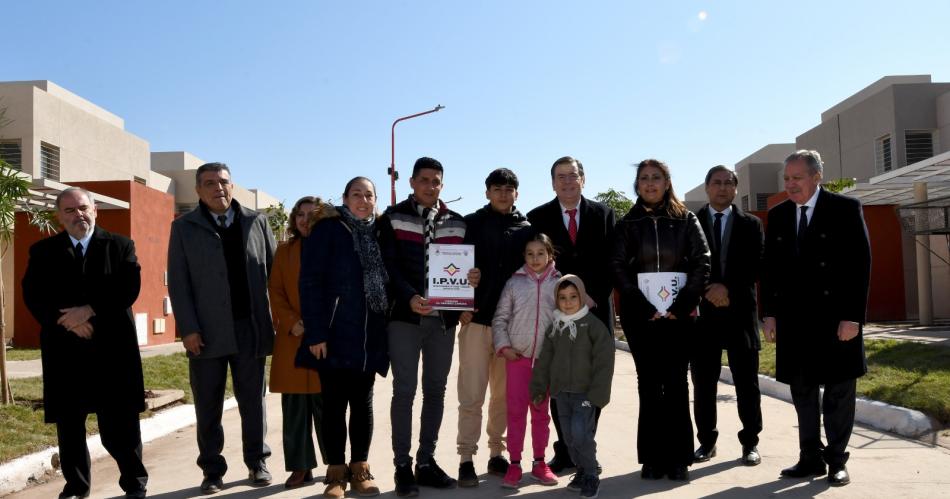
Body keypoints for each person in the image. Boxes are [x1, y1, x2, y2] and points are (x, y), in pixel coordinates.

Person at [22, 187, 148, 499]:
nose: (79, 215)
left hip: (112, 351)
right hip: (65, 351)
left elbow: (127, 288)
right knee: (69, 426)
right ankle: (77, 487)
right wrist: (66, 322)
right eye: (70, 211)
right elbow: (33, 295)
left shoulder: (120, 246)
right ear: (59, 217)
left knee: (120, 425)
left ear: (95, 211)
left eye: (83, 208)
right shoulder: (42, 252)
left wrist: (88, 311)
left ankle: (134, 484)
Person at [762, 150, 871, 487]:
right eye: (786, 179)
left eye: (797, 178)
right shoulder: (778, 215)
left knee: (839, 392)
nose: (790, 184)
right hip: (795, 321)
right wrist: (767, 313)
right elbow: (770, 269)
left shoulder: (844, 209)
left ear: (816, 176)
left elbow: (860, 265)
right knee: (803, 392)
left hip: (836, 320)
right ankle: (810, 458)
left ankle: (837, 460)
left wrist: (852, 318)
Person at [167, 162, 277, 494]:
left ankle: (257, 462)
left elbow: (276, 274)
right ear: (199, 190)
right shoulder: (184, 227)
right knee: (208, 404)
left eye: (224, 182)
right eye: (210, 183)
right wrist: (188, 328)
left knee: (252, 402)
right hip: (206, 333)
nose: (219, 188)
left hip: (249, 329)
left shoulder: (256, 222)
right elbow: (179, 282)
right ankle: (212, 471)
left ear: (233, 186)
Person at [377, 157, 480, 496]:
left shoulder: (458, 223)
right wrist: (409, 297)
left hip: (442, 323)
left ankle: (426, 461)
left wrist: (471, 280)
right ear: (411, 182)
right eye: (424, 180)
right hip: (405, 319)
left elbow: (464, 268)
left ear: (442, 184)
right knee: (404, 391)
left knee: (436, 391)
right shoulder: (392, 218)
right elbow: (388, 266)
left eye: (436, 181)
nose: (430, 186)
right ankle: (402, 466)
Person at [611, 159, 710, 482]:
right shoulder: (628, 223)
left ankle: (679, 457)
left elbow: (701, 262)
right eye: (644, 179)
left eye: (656, 178)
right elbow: (619, 267)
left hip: (678, 318)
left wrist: (680, 305)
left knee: (677, 384)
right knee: (649, 385)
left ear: (667, 182)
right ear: (637, 185)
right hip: (642, 319)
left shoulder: (686, 220)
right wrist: (642, 305)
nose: (650, 183)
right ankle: (652, 458)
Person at [297, 178, 390, 498]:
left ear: (376, 200)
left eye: (369, 195)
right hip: (334, 333)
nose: (363, 200)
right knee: (334, 405)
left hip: (370, 333)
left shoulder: (380, 231)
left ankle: (360, 468)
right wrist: (316, 332)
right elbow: (310, 282)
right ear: (345, 198)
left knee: (362, 404)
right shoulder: (328, 229)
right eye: (356, 194)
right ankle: (336, 473)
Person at [526, 156, 616, 473]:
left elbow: (613, 263)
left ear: (583, 178)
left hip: (595, 308)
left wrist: (590, 296)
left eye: (572, 175)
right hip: (556, 314)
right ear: (552, 182)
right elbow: (536, 265)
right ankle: (564, 450)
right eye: (560, 177)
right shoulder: (536, 218)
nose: (567, 181)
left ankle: (584, 447)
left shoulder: (605, 215)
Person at [455, 167, 532, 486]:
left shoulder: (527, 229)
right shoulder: (470, 223)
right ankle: (465, 458)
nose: (503, 193)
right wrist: (459, 306)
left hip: (510, 329)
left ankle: (495, 454)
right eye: (497, 188)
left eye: (509, 188)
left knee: (503, 396)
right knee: (471, 395)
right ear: (487, 192)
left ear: (517, 192)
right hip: (475, 322)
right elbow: (452, 266)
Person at [691, 166, 764, 466]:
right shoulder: (690, 221)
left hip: (740, 315)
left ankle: (750, 443)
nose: (722, 188)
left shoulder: (752, 224)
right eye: (716, 183)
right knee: (703, 384)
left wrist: (726, 287)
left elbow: (756, 264)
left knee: (747, 384)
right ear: (707, 187)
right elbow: (687, 263)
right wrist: (709, 288)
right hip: (703, 316)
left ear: (736, 188)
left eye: (728, 183)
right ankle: (706, 442)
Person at [531, 275, 615, 499]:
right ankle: (582, 469)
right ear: (556, 300)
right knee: (569, 438)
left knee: (581, 435)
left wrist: (598, 394)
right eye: (562, 298)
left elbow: (604, 362)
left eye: (573, 297)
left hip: (585, 394)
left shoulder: (593, 326)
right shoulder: (555, 327)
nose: (568, 302)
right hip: (560, 394)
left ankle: (590, 475)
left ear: (582, 296)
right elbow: (545, 359)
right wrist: (539, 388)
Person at [492, 233, 561, 490]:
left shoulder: (560, 283)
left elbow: (567, 317)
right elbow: (500, 318)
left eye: (541, 253)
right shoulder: (514, 283)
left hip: (545, 362)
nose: (535, 258)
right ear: (524, 256)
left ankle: (540, 462)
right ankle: (514, 464)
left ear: (550, 255)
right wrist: (504, 347)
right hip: (517, 359)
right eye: (530, 254)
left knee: (541, 414)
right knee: (516, 411)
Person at [267, 196, 327, 489]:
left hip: (327, 339)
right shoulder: (284, 251)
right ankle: (301, 467)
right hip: (293, 338)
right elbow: (275, 291)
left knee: (327, 405)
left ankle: (336, 465)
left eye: (312, 214)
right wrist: (292, 322)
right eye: (300, 214)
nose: (305, 219)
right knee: (294, 408)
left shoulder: (334, 249)